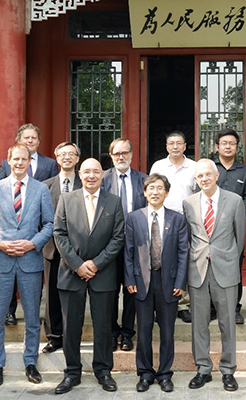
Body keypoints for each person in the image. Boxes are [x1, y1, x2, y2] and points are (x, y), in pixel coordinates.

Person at [0, 143, 54, 387]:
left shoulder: (41, 189)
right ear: (9, 161)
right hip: (2, 261)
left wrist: (33, 244)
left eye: (24, 159)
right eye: (16, 159)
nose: (20, 163)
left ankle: (30, 363)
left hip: (30, 261)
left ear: (30, 161)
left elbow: (50, 224)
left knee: (32, 318)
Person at [52, 158, 125, 394]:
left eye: (96, 172)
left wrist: (96, 264)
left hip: (103, 273)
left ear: (102, 175)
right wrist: (77, 265)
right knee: (71, 326)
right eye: (87, 172)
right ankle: (72, 372)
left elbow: (118, 237)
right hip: (71, 272)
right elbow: (59, 234)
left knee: (103, 325)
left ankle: (103, 371)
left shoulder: (114, 201)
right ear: (79, 174)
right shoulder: (66, 200)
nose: (91, 176)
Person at [182, 159, 246, 392]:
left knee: (227, 323)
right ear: (196, 179)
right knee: (199, 323)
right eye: (200, 176)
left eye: (208, 174)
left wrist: (228, 260)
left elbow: (240, 239)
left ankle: (228, 370)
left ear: (217, 175)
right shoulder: (188, 203)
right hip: (198, 270)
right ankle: (203, 368)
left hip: (225, 269)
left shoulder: (235, 200)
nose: (204, 179)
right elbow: (188, 237)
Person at [124, 174, 188, 393]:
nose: (155, 192)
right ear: (144, 192)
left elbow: (183, 252)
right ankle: (145, 373)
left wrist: (180, 281)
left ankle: (164, 374)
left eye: (160, 188)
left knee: (167, 332)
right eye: (151, 188)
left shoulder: (177, 219)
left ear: (166, 193)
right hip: (141, 282)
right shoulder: (134, 218)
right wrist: (129, 279)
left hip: (168, 282)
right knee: (143, 331)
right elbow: (128, 251)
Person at [0, 123, 59, 326]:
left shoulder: (49, 164)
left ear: (39, 142)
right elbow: (0, 194)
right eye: (26, 138)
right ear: (19, 140)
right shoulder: (7, 163)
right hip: (13, 228)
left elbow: (51, 194)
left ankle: (33, 312)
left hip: (39, 229)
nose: (30, 141)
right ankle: (9, 312)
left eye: (33, 138)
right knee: (10, 272)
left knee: (35, 273)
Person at [102, 138, 147, 352]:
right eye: (117, 153)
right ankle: (112, 332)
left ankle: (128, 333)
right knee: (110, 290)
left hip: (136, 244)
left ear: (131, 154)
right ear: (111, 156)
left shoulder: (143, 179)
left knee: (132, 290)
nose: (121, 157)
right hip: (109, 244)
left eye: (125, 153)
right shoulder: (102, 179)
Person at [149, 131, 196, 323]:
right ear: (166, 146)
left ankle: (183, 304)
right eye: (171, 143)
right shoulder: (158, 166)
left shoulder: (193, 166)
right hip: (161, 219)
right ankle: (161, 303)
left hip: (186, 220)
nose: (175, 146)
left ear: (185, 146)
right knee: (162, 259)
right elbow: (151, 190)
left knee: (184, 259)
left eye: (179, 143)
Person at [40, 142, 82, 354]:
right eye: (62, 154)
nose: (67, 157)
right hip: (52, 249)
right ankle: (54, 336)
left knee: (76, 296)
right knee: (53, 295)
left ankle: (73, 335)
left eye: (71, 154)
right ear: (57, 158)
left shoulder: (85, 183)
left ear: (77, 159)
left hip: (79, 250)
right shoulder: (45, 186)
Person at [213, 128, 246, 324]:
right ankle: (213, 307)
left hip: (234, 228)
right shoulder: (211, 168)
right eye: (224, 143)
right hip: (211, 227)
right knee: (211, 266)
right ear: (217, 146)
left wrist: (236, 215)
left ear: (237, 147)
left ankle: (234, 308)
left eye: (232, 143)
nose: (228, 146)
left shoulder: (244, 171)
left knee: (234, 266)